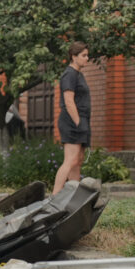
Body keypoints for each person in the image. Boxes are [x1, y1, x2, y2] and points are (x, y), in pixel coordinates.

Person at [53, 41, 91, 195]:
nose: (87, 58)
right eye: (84, 55)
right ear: (73, 57)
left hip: (81, 121)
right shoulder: (69, 74)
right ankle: (55, 196)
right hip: (72, 122)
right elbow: (69, 101)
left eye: (87, 55)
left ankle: (73, 194)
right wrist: (78, 123)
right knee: (70, 161)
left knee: (77, 161)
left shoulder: (78, 74)